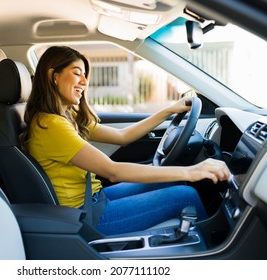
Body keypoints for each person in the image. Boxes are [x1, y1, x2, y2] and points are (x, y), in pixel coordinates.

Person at [22, 46, 230, 235]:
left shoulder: (66, 117)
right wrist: (192, 171)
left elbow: (123, 137)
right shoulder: (51, 125)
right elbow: (113, 171)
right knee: (186, 195)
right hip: (85, 215)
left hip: (96, 199)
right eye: (77, 73)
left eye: (85, 75)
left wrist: (168, 111)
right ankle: (218, 250)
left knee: (174, 179)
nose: (85, 82)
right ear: (53, 76)